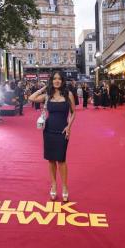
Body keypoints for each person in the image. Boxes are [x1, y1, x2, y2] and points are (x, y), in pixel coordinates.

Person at [29, 71, 76, 202]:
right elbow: (31, 98)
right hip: (49, 130)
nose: (57, 81)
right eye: (54, 79)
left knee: (61, 160)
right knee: (51, 160)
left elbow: (73, 113)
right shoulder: (47, 95)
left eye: (59, 79)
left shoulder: (69, 95)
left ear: (62, 81)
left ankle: (65, 186)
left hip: (62, 131)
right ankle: (54, 184)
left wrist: (69, 126)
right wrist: (44, 87)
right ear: (52, 81)